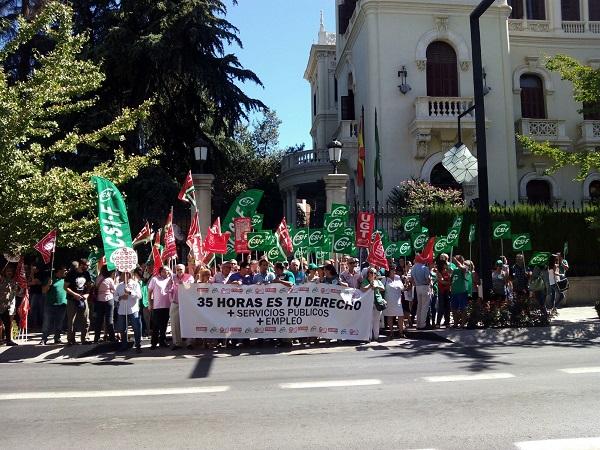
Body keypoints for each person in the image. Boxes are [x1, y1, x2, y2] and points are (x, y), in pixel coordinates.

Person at [64, 258, 92, 345]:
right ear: (81, 265)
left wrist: (87, 294)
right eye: (86, 265)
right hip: (72, 300)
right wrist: (74, 294)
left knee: (86, 319)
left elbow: (89, 285)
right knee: (71, 320)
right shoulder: (71, 274)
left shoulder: (86, 273)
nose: (88, 267)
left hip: (83, 299)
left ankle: (85, 338)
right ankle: (71, 340)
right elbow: (65, 287)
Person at [115, 272, 143, 353]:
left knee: (136, 328)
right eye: (121, 274)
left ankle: (138, 345)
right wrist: (120, 297)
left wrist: (130, 292)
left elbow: (139, 296)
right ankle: (124, 345)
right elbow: (115, 297)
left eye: (124, 274)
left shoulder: (135, 284)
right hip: (122, 310)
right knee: (122, 329)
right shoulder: (119, 285)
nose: (122, 276)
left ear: (128, 275)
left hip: (133, 309)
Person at [40, 266, 68, 345]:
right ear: (59, 271)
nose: (66, 272)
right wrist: (48, 285)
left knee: (59, 323)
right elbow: (43, 291)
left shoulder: (66, 279)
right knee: (47, 323)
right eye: (64, 270)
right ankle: (44, 339)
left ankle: (57, 338)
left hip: (62, 304)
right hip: (50, 304)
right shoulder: (50, 279)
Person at [147, 267, 174, 349]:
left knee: (164, 325)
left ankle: (162, 341)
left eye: (167, 271)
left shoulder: (171, 279)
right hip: (157, 306)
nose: (165, 272)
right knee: (156, 325)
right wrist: (150, 303)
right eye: (163, 270)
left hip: (167, 305)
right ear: (160, 271)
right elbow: (149, 292)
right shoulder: (155, 279)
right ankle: (153, 343)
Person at [170, 264, 194, 350]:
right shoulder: (172, 277)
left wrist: (183, 284)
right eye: (177, 270)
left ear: (184, 269)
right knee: (175, 323)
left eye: (181, 269)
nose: (179, 271)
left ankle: (189, 342)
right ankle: (177, 343)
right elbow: (168, 288)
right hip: (175, 302)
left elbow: (191, 287)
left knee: (188, 322)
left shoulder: (189, 277)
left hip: (187, 303)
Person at [361, 268, 386, 342]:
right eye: (371, 273)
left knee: (376, 321)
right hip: (369, 303)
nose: (373, 274)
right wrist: (370, 286)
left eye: (374, 273)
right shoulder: (365, 281)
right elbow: (362, 289)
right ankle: (369, 337)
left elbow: (383, 288)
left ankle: (376, 337)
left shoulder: (377, 281)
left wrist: (376, 286)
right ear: (368, 273)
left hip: (377, 302)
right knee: (369, 320)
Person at [93, 266, 116, 343]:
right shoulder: (109, 279)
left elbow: (96, 287)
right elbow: (114, 290)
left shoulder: (98, 278)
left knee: (99, 320)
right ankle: (112, 338)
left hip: (99, 300)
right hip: (108, 300)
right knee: (109, 320)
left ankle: (96, 338)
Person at [383, 265, 405, 338]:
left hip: (398, 301)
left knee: (401, 316)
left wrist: (407, 284)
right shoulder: (384, 279)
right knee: (390, 316)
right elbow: (381, 289)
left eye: (395, 270)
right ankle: (391, 332)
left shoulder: (398, 278)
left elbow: (402, 288)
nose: (394, 271)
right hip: (389, 301)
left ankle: (401, 332)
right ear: (389, 271)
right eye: (393, 270)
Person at [412, 255, 432, 330]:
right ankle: (422, 324)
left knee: (419, 306)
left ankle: (418, 324)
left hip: (417, 287)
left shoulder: (413, 268)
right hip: (424, 287)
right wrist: (429, 283)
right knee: (424, 307)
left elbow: (412, 279)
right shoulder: (425, 268)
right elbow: (428, 279)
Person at [0, 265, 18, 346]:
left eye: (11, 271)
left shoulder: (14, 281)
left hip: (6, 306)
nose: (9, 273)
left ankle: (8, 340)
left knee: (8, 324)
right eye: (7, 271)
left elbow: (15, 292)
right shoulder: (1, 280)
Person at [450, 255, 469, 328]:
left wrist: (456, 261)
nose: (455, 261)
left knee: (463, 308)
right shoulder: (454, 269)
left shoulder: (465, 267)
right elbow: (451, 278)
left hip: (462, 291)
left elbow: (463, 269)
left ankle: (463, 324)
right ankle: (455, 323)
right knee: (454, 308)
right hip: (454, 292)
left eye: (457, 260)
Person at [436, 259, 451, 328]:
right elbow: (441, 281)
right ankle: (438, 323)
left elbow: (451, 277)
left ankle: (447, 322)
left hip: (447, 291)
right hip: (441, 291)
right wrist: (450, 283)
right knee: (441, 307)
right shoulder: (438, 272)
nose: (447, 265)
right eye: (445, 264)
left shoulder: (448, 271)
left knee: (447, 307)